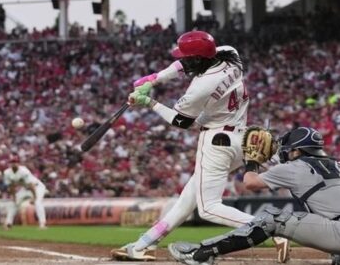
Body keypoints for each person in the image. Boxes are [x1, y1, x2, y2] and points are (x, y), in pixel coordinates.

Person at [111, 31, 290, 263]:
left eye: (187, 57)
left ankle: (270, 228)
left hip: (216, 143)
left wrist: (150, 102)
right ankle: (144, 244)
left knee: (208, 208)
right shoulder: (230, 55)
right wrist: (154, 79)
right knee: (187, 200)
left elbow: (182, 122)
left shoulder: (201, 86)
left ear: (197, 58)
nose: (183, 61)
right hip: (241, 138)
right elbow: (181, 65)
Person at [168, 127, 340, 265]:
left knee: (273, 218)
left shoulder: (295, 166)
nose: (285, 152)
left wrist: (252, 161)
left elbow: (250, 183)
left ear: (297, 151)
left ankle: (202, 253)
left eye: (288, 149)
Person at [2, 156, 47, 230]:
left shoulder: (23, 171)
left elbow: (31, 185)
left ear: (18, 163)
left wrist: (34, 197)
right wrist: (14, 197)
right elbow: (11, 186)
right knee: (14, 203)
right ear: (9, 164)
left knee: (37, 202)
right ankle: (8, 224)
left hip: (37, 187)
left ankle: (42, 224)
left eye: (15, 162)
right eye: (12, 162)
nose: (14, 164)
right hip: (25, 189)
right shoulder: (7, 172)